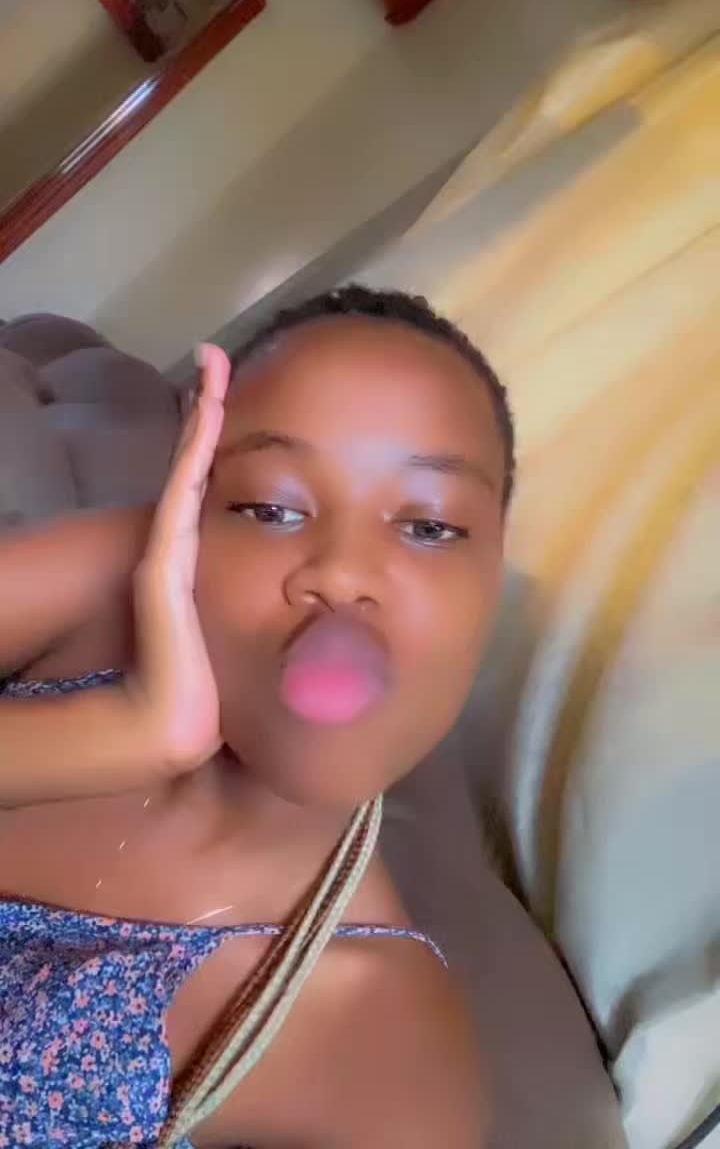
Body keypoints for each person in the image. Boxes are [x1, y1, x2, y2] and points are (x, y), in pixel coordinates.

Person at [0, 285, 514, 1148]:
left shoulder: (387, 1052)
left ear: (495, 577)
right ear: (192, 511)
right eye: (272, 508)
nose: (341, 572)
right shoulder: (118, 571)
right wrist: (121, 733)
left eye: (428, 526)